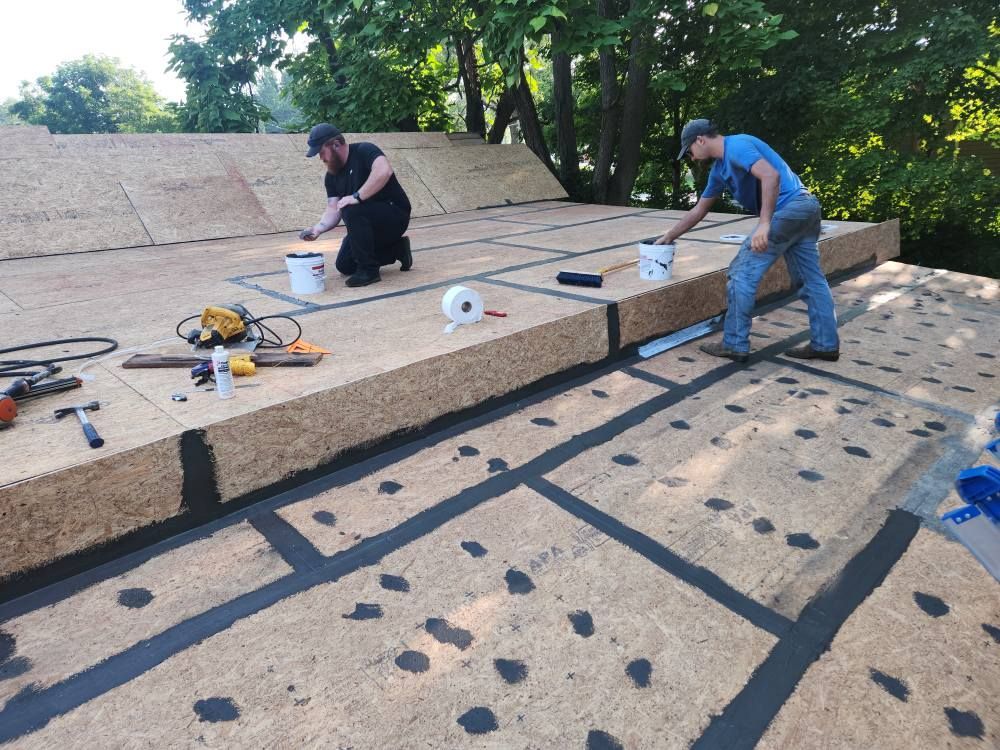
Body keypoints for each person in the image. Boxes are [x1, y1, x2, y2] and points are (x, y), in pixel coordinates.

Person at [655, 119, 839, 363]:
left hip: (790, 209)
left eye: (689, 151)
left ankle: (734, 343)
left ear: (700, 140)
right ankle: (826, 344)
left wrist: (764, 223)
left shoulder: (737, 146)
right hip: (806, 210)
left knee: (741, 274)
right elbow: (699, 210)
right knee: (811, 280)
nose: (692, 157)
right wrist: (669, 236)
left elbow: (771, 176)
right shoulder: (719, 170)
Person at [299, 123, 413, 287]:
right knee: (345, 265)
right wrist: (317, 229)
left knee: (350, 208)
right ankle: (397, 250)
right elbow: (333, 208)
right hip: (365, 226)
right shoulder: (331, 176)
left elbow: (384, 171)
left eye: (322, 152)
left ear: (336, 144)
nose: (321, 158)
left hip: (394, 216)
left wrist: (356, 197)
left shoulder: (364, 150)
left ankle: (369, 271)